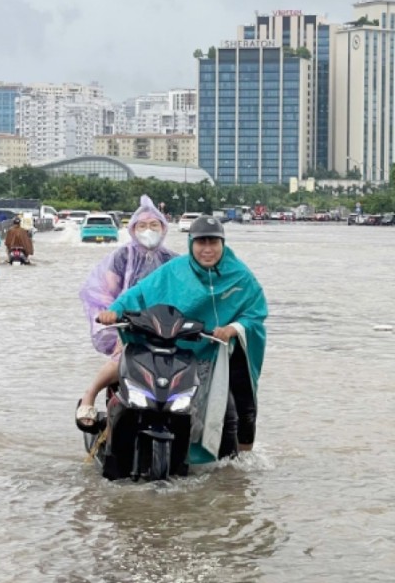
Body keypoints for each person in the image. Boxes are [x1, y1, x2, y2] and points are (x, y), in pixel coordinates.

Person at [96, 216, 267, 462]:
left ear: (223, 243)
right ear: (190, 243)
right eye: (201, 242)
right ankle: (93, 407)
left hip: (220, 352)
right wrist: (114, 311)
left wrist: (233, 328)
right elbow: (138, 294)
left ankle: (237, 470)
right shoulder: (174, 271)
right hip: (177, 349)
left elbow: (256, 312)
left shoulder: (240, 276)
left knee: (237, 410)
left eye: (213, 242)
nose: (207, 249)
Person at [76, 195, 178, 429]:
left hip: (166, 326)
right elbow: (106, 291)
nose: (148, 230)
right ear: (132, 229)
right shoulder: (123, 256)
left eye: (154, 225)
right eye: (142, 225)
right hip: (129, 325)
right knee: (121, 360)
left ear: (163, 228)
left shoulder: (173, 260)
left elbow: (187, 293)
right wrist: (113, 317)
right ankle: (89, 395)